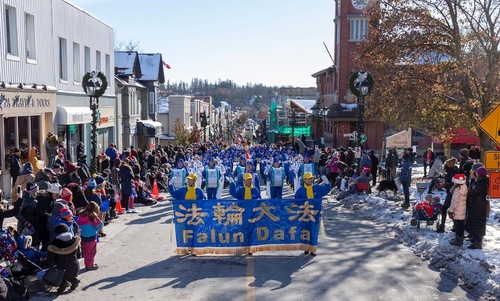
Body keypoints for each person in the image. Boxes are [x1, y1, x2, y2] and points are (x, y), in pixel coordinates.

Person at [294, 172, 331, 257]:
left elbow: (326, 189)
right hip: (305, 214)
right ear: (305, 180)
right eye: (308, 178)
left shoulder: (317, 188)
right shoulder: (301, 190)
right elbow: (296, 200)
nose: (310, 180)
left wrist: (327, 183)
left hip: (315, 213)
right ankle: (306, 248)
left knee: (314, 231)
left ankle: (313, 249)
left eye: (311, 178)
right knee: (305, 231)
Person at [43, 223, 81, 294]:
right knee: (71, 276)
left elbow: (50, 257)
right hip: (74, 264)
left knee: (63, 278)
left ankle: (61, 290)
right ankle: (74, 282)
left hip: (61, 266)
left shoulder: (55, 243)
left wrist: (45, 262)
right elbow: (79, 254)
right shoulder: (74, 240)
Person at [465, 166, 489, 249]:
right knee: (475, 223)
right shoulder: (480, 182)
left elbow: (473, 192)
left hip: (479, 207)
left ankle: (478, 242)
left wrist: (469, 189)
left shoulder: (482, 183)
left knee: (478, 225)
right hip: (476, 206)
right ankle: (475, 239)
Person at [77, 201, 103, 271]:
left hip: (83, 235)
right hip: (91, 235)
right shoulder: (92, 215)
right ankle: (90, 265)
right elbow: (99, 225)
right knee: (91, 251)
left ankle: (87, 264)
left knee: (85, 250)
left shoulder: (81, 214)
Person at [436, 157, 459, 233]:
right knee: (452, 210)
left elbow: (453, 185)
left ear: (448, 166)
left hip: (453, 194)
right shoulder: (452, 171)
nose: (444, 166)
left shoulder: (453, 173)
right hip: (451, 193)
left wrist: (444, 185)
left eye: (445, 165)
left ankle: (442, 226)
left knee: (445, 209)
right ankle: (455, 226)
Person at [448, 174, 468, 246]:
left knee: (458, 225)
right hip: (462, 209)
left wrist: (451, 210)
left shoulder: (457, 190)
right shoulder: (464, 187)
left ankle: (458, 240)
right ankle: (460, 237)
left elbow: (454, 202)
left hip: (457, 210)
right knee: (461, 224)